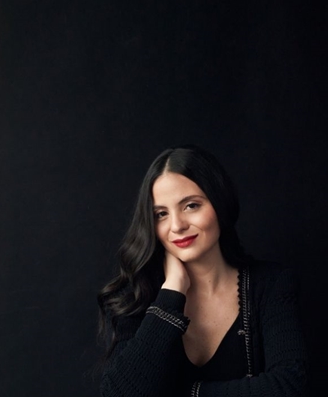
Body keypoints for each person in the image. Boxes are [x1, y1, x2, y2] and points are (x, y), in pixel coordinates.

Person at [97, 145, 308, 397]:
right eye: (161, 214)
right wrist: (172, 291)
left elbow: (288, 387)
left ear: (219, 204)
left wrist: (188, 393)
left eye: (191, 206)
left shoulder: (271, 285)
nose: (177, 225)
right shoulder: (137, 295)